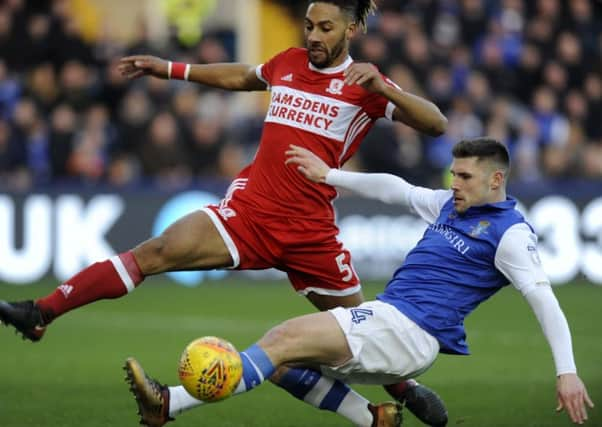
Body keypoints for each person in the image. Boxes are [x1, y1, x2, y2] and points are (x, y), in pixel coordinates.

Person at [0, 1, 448, 427]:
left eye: (325, 28)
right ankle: (42, 312)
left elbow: (435, 123)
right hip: (248, 216)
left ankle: (398, 393)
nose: (313, 35)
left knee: (356, 336)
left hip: (310, 236)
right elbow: (243, 77)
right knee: (155, 251)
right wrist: (172, 69)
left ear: (352, 30)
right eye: (309, 25)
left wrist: (385, 88)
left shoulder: (363, 83)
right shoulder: (289, 62)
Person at [125, 137, 595, 427]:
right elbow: (397, 189)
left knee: (280, 340)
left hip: (411, 329)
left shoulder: (510, 234)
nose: (455, 183)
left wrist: (566, 372)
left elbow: (543, 300)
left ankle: (170, 405)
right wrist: (329, 175)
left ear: (496, 180)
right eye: (453, 173)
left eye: (466, 176)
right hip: (394, 325)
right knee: (283, 364)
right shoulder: (452, 205)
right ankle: (372, 418)